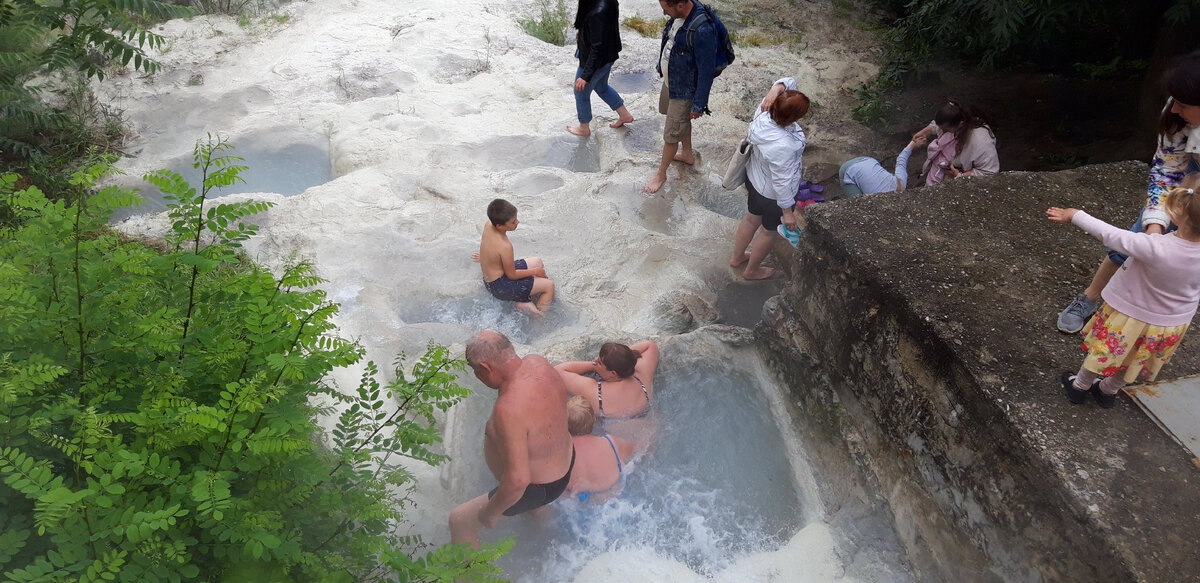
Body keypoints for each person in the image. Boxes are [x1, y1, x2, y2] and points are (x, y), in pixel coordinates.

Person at [1056, 50, 1200, 334]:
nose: (1173, 110)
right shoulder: (1176, 115)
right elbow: (1166, 170)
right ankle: (1090, 297)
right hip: (1189, 180)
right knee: (1133, 240)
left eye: (1182, 104)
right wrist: (1155, 227)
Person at [1047, 175, 1200, 408]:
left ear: (1179, 213)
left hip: (1130, 315)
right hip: (1169, 325)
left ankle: (1079, 387)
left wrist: (1075, 214)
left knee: (1103, 352)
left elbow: (1110, 235)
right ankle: (1108, 391)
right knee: (1133, 359)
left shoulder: (1154, 246)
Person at [449, 330, 575, 547]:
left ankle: (468, 577)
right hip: (564, 464)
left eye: (476, 371)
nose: (477, 376)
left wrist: (491, 512)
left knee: (459, 521)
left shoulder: (509, 409)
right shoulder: (538, 363)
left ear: (486, 368)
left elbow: (518, 480)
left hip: (537, 487)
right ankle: (551, 538)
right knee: (536, 503)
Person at [727, 78, 810, 280]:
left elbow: (789, 80)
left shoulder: (764, 112)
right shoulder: (784, 146)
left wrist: (775, 89)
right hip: (772, 196)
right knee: (768, 231)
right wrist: (787, 212)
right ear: (792, 118)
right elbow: (782, 181)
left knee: (751, 219)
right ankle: (752, 271)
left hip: (754, 181)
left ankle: (737, 258)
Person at [644, 0, 718, 194]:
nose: (663, 12)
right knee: (679, 121)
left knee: (671, 133)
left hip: (685, 90)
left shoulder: (703, 30)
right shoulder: (680, 16)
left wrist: (699, 104)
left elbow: (706, 71)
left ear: (680, 5)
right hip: (673, 81)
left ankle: (661, 173)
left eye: (666, 8)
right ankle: (687, 153)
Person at [566, 0, 634, 137]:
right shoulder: (608, 2)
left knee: (581, 93)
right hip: (609, 55)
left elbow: (597, 48)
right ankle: (624, 114)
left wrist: (585, 76)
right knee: (601, 87)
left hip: (598, 60)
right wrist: (585, 31)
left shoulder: (596, 13)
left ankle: (584, 128)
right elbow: (604, 29)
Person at [477, 198, 555, 317]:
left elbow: (488, 247)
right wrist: (535, 271)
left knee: (537, 261)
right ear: (499, 226)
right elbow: (511, 275)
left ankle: (525, 298)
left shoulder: (488, 225)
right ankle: (540, 316)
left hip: (492, 280)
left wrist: (485, 258)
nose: (517, 222)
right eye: (513, 222)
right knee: (549, 285)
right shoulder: (505, 246)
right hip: (500, 287)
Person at [555, 339, 660, 422]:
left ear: (613, 373)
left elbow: (558, 371)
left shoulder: (595, 392)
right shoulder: (642, 376)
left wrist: (592, 365)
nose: (596, 361)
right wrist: (623, 357)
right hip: (646, 420)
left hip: (613, 429)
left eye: (599, 362)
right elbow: (650, 345)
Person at [565, 396, 635, 502]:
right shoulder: (611, 442)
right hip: (609, 498)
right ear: (594, 420)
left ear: (565, 425)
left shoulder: (561, 453)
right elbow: (636, 452)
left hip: (572, 500)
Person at [911, 100, 998, 186]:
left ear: (961, 124)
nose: (942, 132)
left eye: (946, 130)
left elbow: (989, 172)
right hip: (937, 172)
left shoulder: (981, 142)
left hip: (956, 185)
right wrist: (926, 132)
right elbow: (939, 125)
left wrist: (959, 176)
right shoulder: (954, 119)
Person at [839, 137, 924, 197]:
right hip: (848, 170)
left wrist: (914, 142)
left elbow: (901, 159)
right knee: (858, 205)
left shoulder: (901, 183)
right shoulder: (879, 200)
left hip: (867, 160)